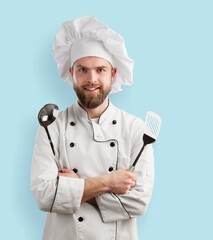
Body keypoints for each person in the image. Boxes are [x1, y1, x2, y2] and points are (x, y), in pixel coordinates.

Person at [31, 16, 154, 240]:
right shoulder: (51, 127)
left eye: (100, 70)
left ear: (113, 74)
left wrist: (76, 187)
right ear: (71, 73)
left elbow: (139, 202)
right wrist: (106, 182)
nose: (92, 79)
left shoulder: (136, 129)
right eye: (83, 70)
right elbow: (44, 195)